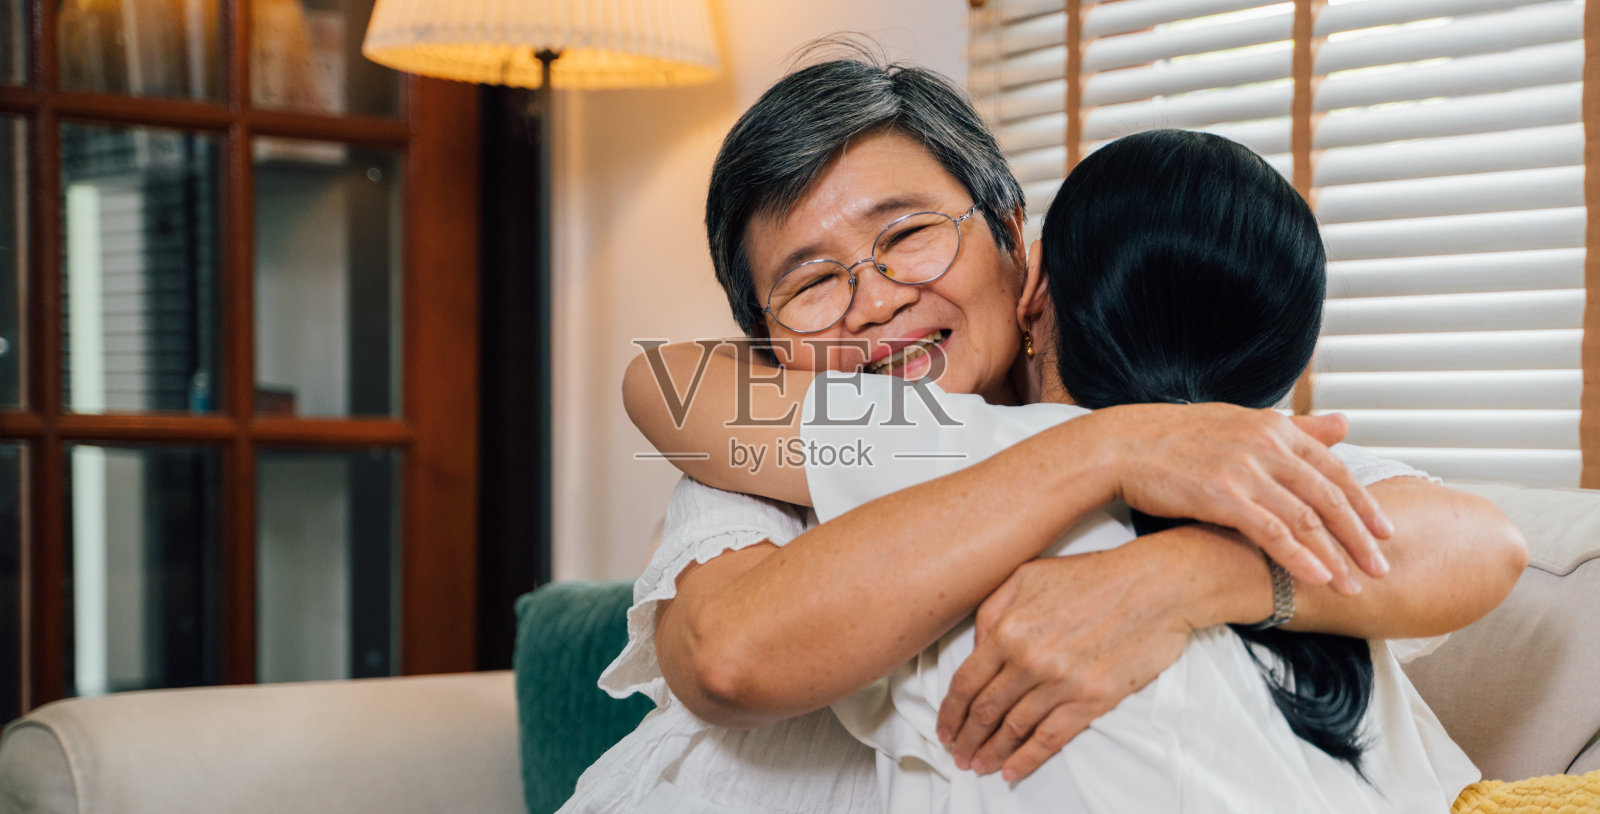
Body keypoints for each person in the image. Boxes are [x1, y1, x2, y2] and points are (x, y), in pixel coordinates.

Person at [558, 52, 1526, 814]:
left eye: (907, 236)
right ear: (769, 343)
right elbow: (726, 647)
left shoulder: (1188, 438)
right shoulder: (778, 455)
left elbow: (1478, 542)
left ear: (1017, 244)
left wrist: (1179, 576)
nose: (873, 301)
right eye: (810, 282)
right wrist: (1107, 452)